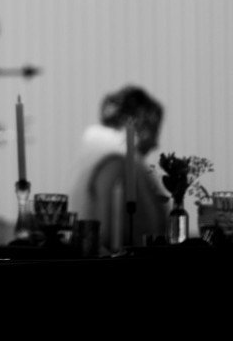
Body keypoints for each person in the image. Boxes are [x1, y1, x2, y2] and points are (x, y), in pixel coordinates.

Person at [68, 85, 168, 253]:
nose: (155, 143)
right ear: (140, 124)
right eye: (154, 130)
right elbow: (113, 231)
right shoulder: (115, 162)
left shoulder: (99, 155)